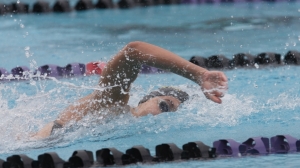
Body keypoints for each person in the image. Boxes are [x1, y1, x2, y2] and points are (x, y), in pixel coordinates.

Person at [33, 41, 228, 139]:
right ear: (146, 100)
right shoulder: (112, 104)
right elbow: (133, 51)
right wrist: (198, 75)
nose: (161, 116)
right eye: (164, 106)